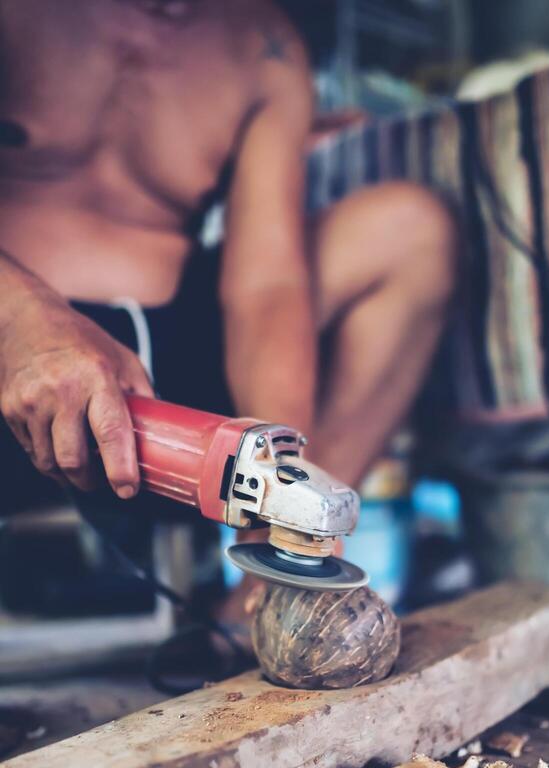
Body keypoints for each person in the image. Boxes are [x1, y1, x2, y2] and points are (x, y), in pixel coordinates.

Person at [0, 0, 457, 615]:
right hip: (13, 334)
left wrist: (278, 480)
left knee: (408, 232)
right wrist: (24, 321)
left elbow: (266, 288)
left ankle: (267, 597)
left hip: (168, 374)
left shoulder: (264, 46)